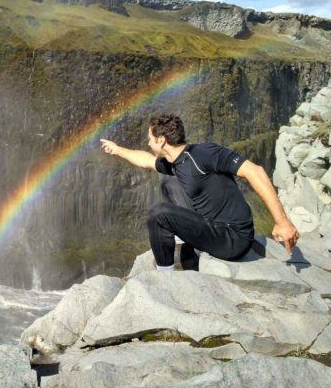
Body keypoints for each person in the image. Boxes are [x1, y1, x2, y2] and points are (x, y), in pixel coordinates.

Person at [100, 114, 299, 271]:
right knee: (169, 183)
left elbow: (255, 171)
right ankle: (182, 238)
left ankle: (165, 276)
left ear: (161, 140)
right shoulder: (177, 161)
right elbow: (146, 161)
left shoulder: (205, 153)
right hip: (213, 225)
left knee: (158, 214)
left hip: (233, 238)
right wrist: (117, 150)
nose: (148, 143)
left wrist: (282, 221)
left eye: (150, 139)